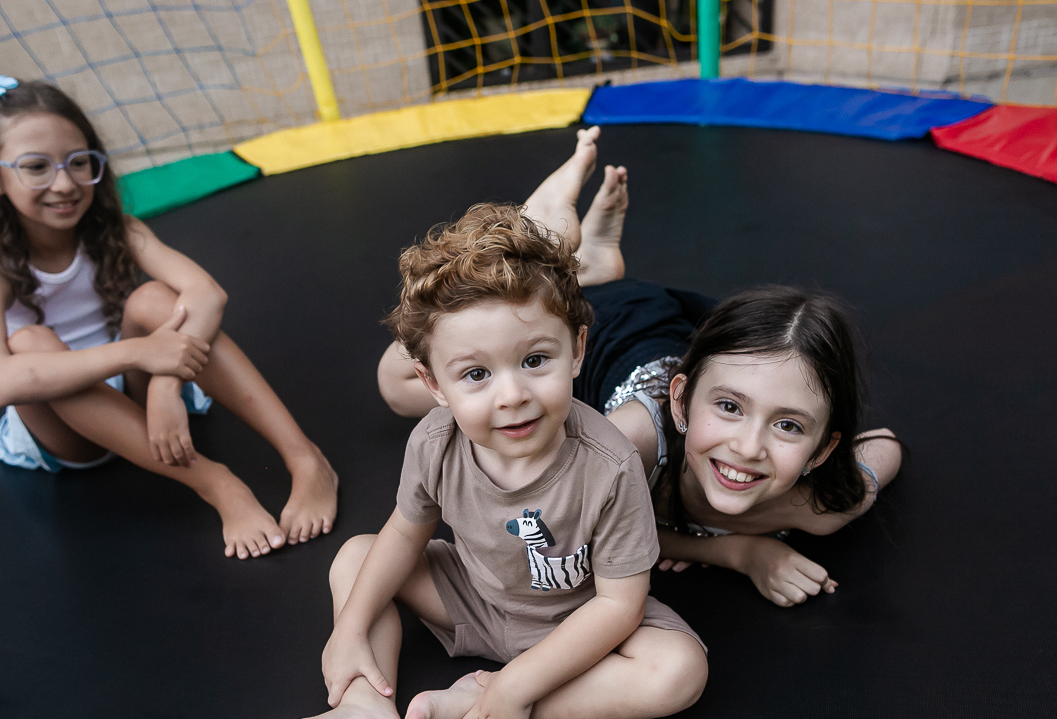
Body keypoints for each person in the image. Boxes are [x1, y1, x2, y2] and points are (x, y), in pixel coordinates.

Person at [266, 203, 708, 719]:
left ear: (576, 349)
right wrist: (347, 630)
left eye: (534, 361)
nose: (512, 395)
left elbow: (618, 605)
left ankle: (474, 707)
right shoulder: (434, 440)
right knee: (355, 559)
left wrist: (514, 688)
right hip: (471, 599)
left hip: (575, 624)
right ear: (434, 384)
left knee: (678, 673)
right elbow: (405, 532)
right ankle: (365, 711)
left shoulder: (609, 464)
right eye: (476, 374)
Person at [378, 127, 902, 607]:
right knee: (397, 383)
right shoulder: (624, 444)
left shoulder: (825, 508)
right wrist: (741, 553)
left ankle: (596, 266)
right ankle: (543, 241)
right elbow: (585, 536)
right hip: (614, 331)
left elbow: (887, 445)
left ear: (824, 448)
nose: (747, 447)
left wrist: (738, 549)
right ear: (681, 403)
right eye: (729, 408)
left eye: (788, 426)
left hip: (662, 340)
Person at [0, 78, 337, 558]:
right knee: (30, 342)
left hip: (133, 386)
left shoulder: (117, 229)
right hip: (64, 423)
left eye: (79, 162)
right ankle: (217, 484)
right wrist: (141, 352)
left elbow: (207, 293)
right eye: (35, 167)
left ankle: (307, 459)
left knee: (156, 299)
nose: (65, 184)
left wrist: (163, 384)